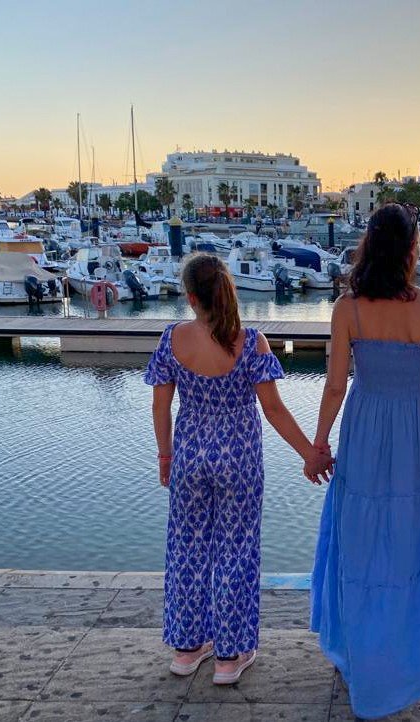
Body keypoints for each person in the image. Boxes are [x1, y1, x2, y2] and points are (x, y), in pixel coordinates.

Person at [146, 254, 331, 685]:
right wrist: (310, 453)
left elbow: (160, 406)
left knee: (187, 550)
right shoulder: (251, 343)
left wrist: (165, 456)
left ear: (191, 297)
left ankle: (187, 649)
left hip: (189, 458)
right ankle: (229, 656)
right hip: (239, 461)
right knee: (236, 551)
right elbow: (274, 410)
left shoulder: (172, 339)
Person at [309, 203, 420, 719]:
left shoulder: (347, 309)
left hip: (366, 430)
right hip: (416, 434)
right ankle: (402, 657)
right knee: (410, 545)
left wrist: (318, 445)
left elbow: (334, 386)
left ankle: (361, 655)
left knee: (362, 543)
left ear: (369, 245)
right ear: (413, 249)